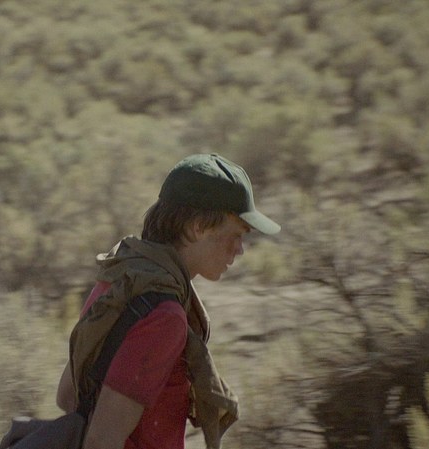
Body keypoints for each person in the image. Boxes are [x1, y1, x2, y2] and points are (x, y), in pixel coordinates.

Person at [55, 153, 281, 449]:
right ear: (198, 226)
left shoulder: (124, 273)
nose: (240, 249)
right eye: (236, 234)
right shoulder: (164, 315)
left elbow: (68, 395)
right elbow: (102, 440)